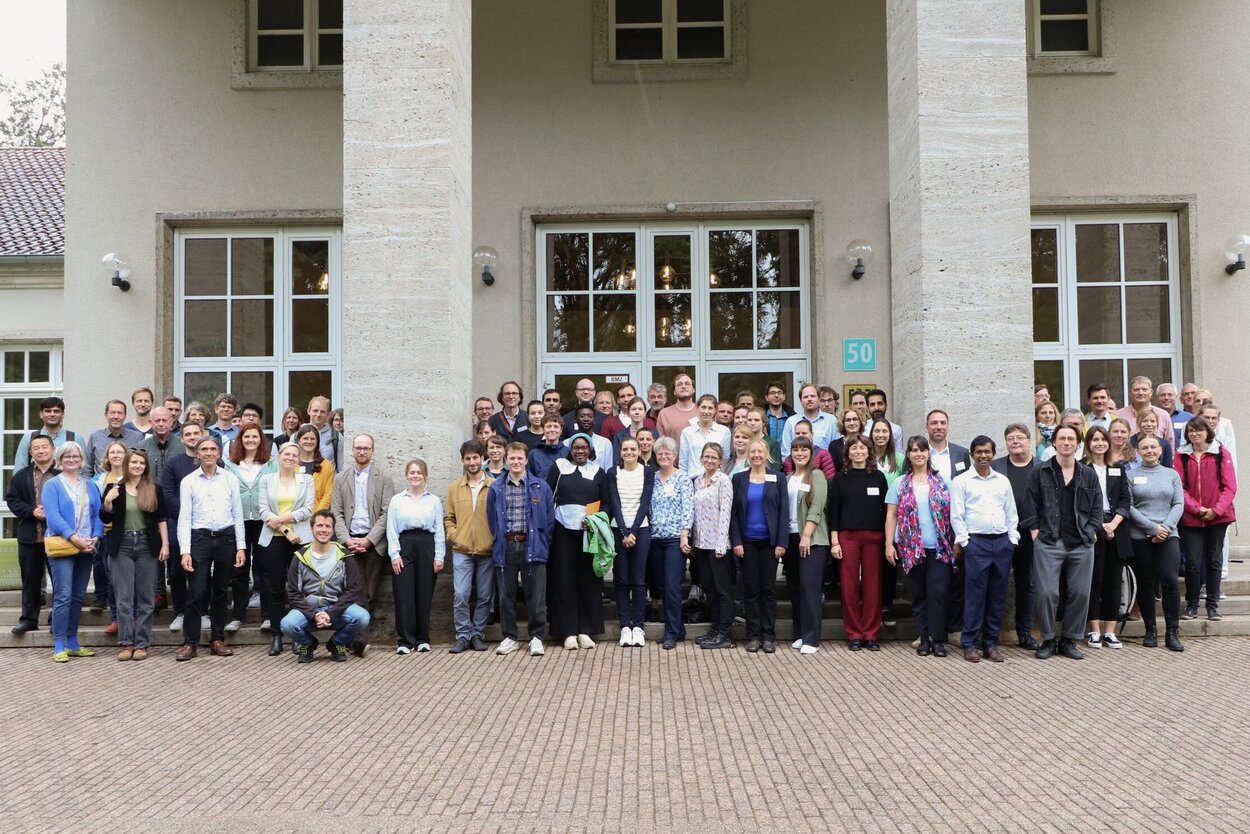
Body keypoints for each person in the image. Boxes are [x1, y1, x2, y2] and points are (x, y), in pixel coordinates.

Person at [1024, 425, 1100, 660]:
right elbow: (1030, 503)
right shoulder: (1040, 471)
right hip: (1048, 540)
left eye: (1071, 439)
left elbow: (1097, 506)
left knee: (1080, 592)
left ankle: (1069, 640)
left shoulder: (1088, 473)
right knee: (1047, 593)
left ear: (1078, 443)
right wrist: (1035, 531)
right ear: (1054, 443)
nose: (1066, 442)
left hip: (1081, 541)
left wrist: (1092, 530)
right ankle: (1048, 639)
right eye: (1062, 438)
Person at [175, 436, 246, 661]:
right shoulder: (188, 481)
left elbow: (237, 514)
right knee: (196, 591)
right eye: (203, 449)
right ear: (197, 454)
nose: (208, 453)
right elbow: (184, 517)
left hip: (225, 539)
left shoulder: (230, 479)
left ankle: (217, 638)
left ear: (219, 453)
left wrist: (241, 546)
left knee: (221, 591)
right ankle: (190, 642)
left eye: (212, 449)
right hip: (199, 540)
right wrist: (185, 550)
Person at [949, 436, 1019, 663]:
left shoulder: (1002, 481)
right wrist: (965, 542)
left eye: (987, 452)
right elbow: (956, 515)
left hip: (1001, 544)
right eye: (979, 452)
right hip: (976, 543)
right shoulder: (962, 481)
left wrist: (1012, 539)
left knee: (997, 597)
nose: (983, 456)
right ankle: (969, 644)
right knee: (975, 596)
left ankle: (990, 644)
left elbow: (1011, 513)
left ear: (993, 453)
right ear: (971, 455)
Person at [886, 436, 956, 657]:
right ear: (908, 454)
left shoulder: (943, 481)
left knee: (938, 593)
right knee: (918, 595)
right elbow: (891, 515)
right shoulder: (899, 483)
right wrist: (889, 543)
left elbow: (955, 513)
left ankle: (938, 639)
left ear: (928, 454)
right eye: (914, 450)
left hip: (939, 547)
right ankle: (924, 638)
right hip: (911, 549)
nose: (918, 454)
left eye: (922, 450)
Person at [98, 448, 168, 661]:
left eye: (141, 463)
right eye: (134, 463)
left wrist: (165, 544)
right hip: (122, 545)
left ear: (145, 466)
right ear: (127, 465)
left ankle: (142, 644)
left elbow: (161, 519)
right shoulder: (114, 488)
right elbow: (104, 518)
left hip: (147, 545)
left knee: (146, 598)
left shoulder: (154, 489)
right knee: (124, 598)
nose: (137, 466)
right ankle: (126, 643)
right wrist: (108, 501)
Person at [330, 433, 395, 656]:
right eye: (358, 447)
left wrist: (368, 540)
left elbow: (387, 513)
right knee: (352, 591)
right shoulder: (340, 478)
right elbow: (336, 513)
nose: (362, 451)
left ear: (372, 451)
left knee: (365, 592)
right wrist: (347, 540)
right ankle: (357, 641)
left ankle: (349, 639)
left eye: (366, 448)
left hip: (373, 543)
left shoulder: (384, 478)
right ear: (352, 450)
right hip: (348, 542)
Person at [488, 442, 555, 656]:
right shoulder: (496, 488)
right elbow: (491, 519)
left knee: (536, 594)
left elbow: (549, 519)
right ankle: (510, 637)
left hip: (532, 544)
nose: (516, 462)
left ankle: (536, 637)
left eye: (519, 458)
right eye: (512, 458)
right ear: (506, 460)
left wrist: (542, 541)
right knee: (506, 595)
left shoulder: (540, 486)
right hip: (506, 544)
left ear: (526, 460)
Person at [281, 510, 371, 663]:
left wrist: (330, 613)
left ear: (333, 530)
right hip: (309, 612)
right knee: (287, 625)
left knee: (362, 617)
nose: (324, 530)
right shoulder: (300, 557)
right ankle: (308, 644)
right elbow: (294, 594)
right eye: (320, 525)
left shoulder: (345, 555)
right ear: (312, 529)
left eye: (328, 526)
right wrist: (314, 614)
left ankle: (337, 644)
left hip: (337, 611)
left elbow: (352, 590)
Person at [546, 433, 609, 650]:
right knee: (564, 580)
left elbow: (607, 505)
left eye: (584, 448)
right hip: (563, 532)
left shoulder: (598, 472)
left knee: (588, 580)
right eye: (576, 448)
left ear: (590, 449)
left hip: (589, 534)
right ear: (570, 449)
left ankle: (585, 630)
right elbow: (548, 497)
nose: (580, 451)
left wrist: (595, 521)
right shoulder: (559, 467)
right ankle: (568, 631)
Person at [42, 442, 103, 663]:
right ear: (60, 458)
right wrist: (74, 538)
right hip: (64, 546)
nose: (71, 459)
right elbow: (53, 517)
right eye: (67, 456)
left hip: (87, 547)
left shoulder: (90, 485)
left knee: (78, 596)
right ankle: (58, 643)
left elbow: (98, 515)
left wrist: (95, 537)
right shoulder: (52, 485)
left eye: (75, 455)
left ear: (81, 459)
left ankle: (73, 642)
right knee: (64, 595)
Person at [828, 435, 889, 651]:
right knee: (849, 587)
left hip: (874, 538)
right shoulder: (840, 478)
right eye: (854, 448)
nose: (858, 451)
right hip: (848, 537)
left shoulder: (879, 477)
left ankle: (871, 634)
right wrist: (835, 542)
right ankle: (854, 633)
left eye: (863, 448)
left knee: (873, 587)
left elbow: (887, 512)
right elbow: (833, 513)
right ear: (848, 453)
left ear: (869, 451)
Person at [1175, 416, 1237, 621]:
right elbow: (1179, 488)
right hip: (1192, 518)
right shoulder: (1181, 455)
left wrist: (1216, 510)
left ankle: (1212, 605)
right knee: (1192, 562)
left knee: (1214, 561)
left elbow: (1230, 487)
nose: (1195, 434)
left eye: (1199, 430)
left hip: (1218, 518)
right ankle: (1192, 605)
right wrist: (1197, 508)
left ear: (1207, 432)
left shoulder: (1221, 453)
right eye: (1191, 431)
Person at [730, 439, 789, 653]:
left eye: (760, 451)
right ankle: (753, 636)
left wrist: (782, 542)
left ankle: (768, 636)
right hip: (747, 543)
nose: (756, 455)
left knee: (768, 590)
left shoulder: (778, 478)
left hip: (770, 543)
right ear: (748, 454)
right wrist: (736, 541)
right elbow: (733, 514)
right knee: (751, 590)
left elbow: (784, 513)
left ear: (766, 455)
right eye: (752, 451)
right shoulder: (738, 479)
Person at [1128, 434, 1186, 651]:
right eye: (1145, 447)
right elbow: (1129, 507)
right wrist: (1152, 528)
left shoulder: (1172, 475)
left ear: (1161, 450)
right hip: (1140, 536)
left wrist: (1165, 529)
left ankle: (1172, 632)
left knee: (1170, 581)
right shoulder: (1131, 475)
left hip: (1168, 535)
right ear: (1138, 451)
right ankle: (1150, 629)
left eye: (1153, 447)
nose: (1150, 450)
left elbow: (1178, 503)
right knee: (1145, 583)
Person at [258, 442, 315, 656]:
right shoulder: (266, 480)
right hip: (274, 539)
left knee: (298, 590)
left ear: (298, 459)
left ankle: (296, 634)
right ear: (279, 457)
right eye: (286, 454)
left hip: (301, 539)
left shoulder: (306, 480)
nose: (290, 458)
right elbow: (263, 510)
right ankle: (276, 635)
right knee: (275, 589)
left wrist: (281, 520)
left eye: (294, 455)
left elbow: (308, 509)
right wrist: (285, 529)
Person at [386, 458, 445, 654]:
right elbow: (391, 529)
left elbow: (439, 531)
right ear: (406, 475)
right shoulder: (397, 500)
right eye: (412, 472)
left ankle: (422, 639)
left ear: (425, 476)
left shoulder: (434, 500)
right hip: (405, 544)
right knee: (404, 593)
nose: (416, 476)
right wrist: (394, 554)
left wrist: (439, 556)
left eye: (419, 472)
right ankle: (405, 641)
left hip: (427, 544)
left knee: (424, 593)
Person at [1079, 426, 1131, 650]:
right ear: (1088, 443)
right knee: (1094, 581)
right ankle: (1094, 631)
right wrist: (1098, 525)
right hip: (1092, 529)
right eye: (1095, 439)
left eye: (1103, 439)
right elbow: (1079, 503)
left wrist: (1113, 524)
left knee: (1113, 581)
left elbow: (1125, 499)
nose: (1099, 443)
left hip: (1116, 528)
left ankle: (1110, 631)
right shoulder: (1082, 469)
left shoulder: (1117, 468)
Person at [991, 423, 1041, 650]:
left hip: (1031, 535)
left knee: (1027, 584)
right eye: (1010, 438)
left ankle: (1024, 632)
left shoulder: (1042, 467)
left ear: (1029, 441)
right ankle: (991, 633)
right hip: (1001, 534)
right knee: (996, 582)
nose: (1015, 442)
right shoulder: (996, 466)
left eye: (1020, 438)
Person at [443, 440, 495, 654]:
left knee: (484, 595)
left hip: (487, 550)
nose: (472, 462)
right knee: (461, 594)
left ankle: (477, 634)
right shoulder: (455, 487)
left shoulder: (494, 486)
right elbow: (449, 517)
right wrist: (455, 536)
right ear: (462, 460)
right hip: (462, 550)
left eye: (475, 457)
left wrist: (494, 540)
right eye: (468, 458)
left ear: (482, 459)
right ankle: (463, 635)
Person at [223, 424, 275, 634]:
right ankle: (238, 616)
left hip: (264, 522)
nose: (251, 440)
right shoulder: (230, 465)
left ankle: (268, 616)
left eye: (255, 436)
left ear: (261, 440)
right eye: (247, 436)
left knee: (265, 568)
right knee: (239, 568)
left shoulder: (271, 465)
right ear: (240, 439)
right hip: (239, 521)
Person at [5, 434, 58, 635]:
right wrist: (31, 511)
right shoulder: (21, 476)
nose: (41, 450)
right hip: (30, 536)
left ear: (52, 449)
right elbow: (12, 500)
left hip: (57, 538)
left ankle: (57, 619)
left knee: (60, 582)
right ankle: (28, 619)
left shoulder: (61, 474)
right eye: (36, 448)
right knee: (30, 580)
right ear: (30, 452)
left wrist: (51, 513)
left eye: (45, 447)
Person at [781, 438, 829, 655]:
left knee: (810, 589)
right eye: (795, 449)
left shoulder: (816, 475)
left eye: (804, 449)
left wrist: (806, 535)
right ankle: (800, 633)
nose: (799, 453)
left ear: (811, 453)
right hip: (790, 538)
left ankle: (812, 638)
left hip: (811, 539)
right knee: (795, 589)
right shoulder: (788, 477)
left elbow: (817, 506)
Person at [648, 436, 695, 650]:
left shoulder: (683, 478)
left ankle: (671, 632)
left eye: (668, 453)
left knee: (672, 586)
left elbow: (688, 508)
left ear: (675, 456)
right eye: (660, 454)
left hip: (676, 539)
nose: (664, 456)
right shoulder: (652, 477)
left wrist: (685, 534)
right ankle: (679, 629)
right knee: (661, 586)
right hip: (655, 538)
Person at [607, 436, 654, 647]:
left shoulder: (647, 472)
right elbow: (614, 502)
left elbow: (645, 502)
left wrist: (633, 531)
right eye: (625, 449)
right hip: (618, 530)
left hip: (641, 530)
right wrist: (624, 532)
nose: (629, 453)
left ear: (639, 451)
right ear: (621, 452)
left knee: (639, 579)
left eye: (632, 449)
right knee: (622, 579)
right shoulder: (613, 473)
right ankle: (625, 626)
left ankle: (639, 627)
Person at [159, 421, 205, 632]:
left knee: (202, 571)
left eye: (196, 433)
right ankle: (180, 612)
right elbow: (166, 493)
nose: (193, 437)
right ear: (182, 437)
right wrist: (187, 514)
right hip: (178, 523)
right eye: (188, 434)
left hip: (204, 525)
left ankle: (202, 612)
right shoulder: (173, 463)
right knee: (177, 571)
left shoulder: (211, 461)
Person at [689, 442, 734, 650]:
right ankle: (715, 629)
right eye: (706, 457)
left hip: (718, 545)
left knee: (722, 590)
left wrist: (721, 544)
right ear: (701, 458)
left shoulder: (723, 481)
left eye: (714, 458)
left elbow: (726, 513)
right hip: (701, 544)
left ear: (720, 460)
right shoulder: (698, 481)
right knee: (710, 589)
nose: (709, 460)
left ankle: (725, 633)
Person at [91, 439, 128, 628]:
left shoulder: (132, 477)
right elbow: (95, 509)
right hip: (106, 533)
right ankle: (115, 618)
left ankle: (128, 617)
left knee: (127, 578)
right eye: (112, 452)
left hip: (129, 533)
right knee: (111, 577)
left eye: (120, 452)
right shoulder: (97, 481)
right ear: (107, 457)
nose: (116, 455)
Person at [13, 396, 80, 468]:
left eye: (56, 411)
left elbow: (83, 471)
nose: (52, 414)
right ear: (41, 414)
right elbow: (19, 469)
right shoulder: (29, 438)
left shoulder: (75, 438)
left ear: (63, 414)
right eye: (48, 411)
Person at [86, 399, 144, 476]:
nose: (116, 416)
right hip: (101, 486)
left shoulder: (137, 438)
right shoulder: (96, 437)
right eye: (112, 413)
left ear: (125, 415)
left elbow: (143, 466)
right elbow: (87, 469)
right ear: (106, 415)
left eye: (120, 413)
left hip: (129, 485)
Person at [679, 394, 731, 475]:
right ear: (697, 408)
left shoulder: (724, 431)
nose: (706, 412)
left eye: (710, 408)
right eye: (703, 407)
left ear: (715, 410)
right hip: (693, 479)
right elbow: (683, 462)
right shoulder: (687, 432)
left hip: (716, 479)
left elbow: (725, 459)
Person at [780, 384, 837, 458]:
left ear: (819, 399)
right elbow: (786, 452)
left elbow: (836, 450)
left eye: (812, 396)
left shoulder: (831, 421)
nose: (809, 399)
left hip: (825, 467)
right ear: (801, 400)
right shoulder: (791, 422)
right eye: (805, 397)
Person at [1114, 375, 1174, 441]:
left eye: (1144, 389)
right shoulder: (1118, 415)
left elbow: (1170, 443)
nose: (1140, 393)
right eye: (1136, 390)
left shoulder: (1163, 415)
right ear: (1130, 393)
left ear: (1151, 392)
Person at [293, 423, 334, 510]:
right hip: (292, 516)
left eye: (312, 439)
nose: (309, 441)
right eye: (305, 438)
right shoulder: (291, 463)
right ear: (298, 441)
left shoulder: (326, 465)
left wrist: (317, 516)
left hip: (316, 517)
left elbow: (328, 494)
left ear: (317, 442)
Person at [565, 403, 615, 469]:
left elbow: (608, 469)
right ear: (576, 420)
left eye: (590, 416)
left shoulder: (605, 443)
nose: (586, 419)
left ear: (594, 420)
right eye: (582, 416)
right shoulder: (566, 443)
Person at [656, 373, 697, 446]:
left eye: (687, 384)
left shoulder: (703, 411)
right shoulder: (664, 414)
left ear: (693, 389)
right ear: (674, 391)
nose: (683, 386)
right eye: (679, 384)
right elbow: (661, 445)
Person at [612, 396, 655, 461]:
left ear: (645, 413)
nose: (637, 412)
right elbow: (616, 461)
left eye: (640, 409)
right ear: (628, 413)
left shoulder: (654, 434)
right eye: (633, 409)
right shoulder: (619, 436)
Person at [307, 396, 344, 471]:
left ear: (328, 414)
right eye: (315, 411)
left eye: (322, 411)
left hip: (329, 481)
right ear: (308, 411)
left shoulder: (336, 437)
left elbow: (341, 468)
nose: (318, 414)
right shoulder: (297, 435)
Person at [528, 412, 568, 479]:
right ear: (543, 429)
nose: (552, 430)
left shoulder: (568, 452)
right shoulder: (533, 454)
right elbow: (530, 478)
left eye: (556, 426)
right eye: (549, 426)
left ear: (561, 430)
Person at [1156, 383, 1193, 449]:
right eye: (1163, 395)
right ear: (1157, 398)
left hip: (1182, 457)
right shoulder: (1150, 418)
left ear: (1176, 397)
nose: (1166, 398)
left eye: (1170, 394)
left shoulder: (1189, 418)